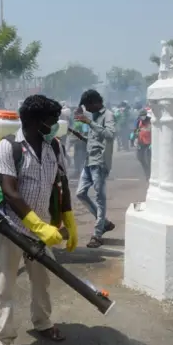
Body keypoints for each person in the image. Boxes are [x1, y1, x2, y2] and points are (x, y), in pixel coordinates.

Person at [0, 94, 77, 345]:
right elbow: (10, 192)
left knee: (42, 282)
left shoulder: (54, 148)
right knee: (4, 285)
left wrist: (68, 218)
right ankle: (2, 339)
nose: (55, 126)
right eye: (52, 121)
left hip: (43, 228)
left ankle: (42, 322)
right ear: (37, 122)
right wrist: (36, 225)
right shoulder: (7, 148)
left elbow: (61, 184)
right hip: (11, 228)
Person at [74, 90, 116, 249]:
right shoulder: (94, 118)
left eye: (87, 106)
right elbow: (96, 141)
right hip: (89, 160)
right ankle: (104, 223)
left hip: (99, 162)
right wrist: (81, 137)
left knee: (100, 197)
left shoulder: (108, 115)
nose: (87, 109)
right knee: (80, 193)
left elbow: (110, 135)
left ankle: (97, 234)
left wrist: (89, 122)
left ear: (95, 102)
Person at [132, 109, 152, 180]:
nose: (142, 117)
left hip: (150, 143)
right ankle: (147, 172)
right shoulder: (138, 122)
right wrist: (134, 139)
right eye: (141, 116)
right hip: (141, 142)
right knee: (140, 157)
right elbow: (136, 131)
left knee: (149, 158)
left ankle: (149, 174)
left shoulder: (150, 121)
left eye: (144, 115)